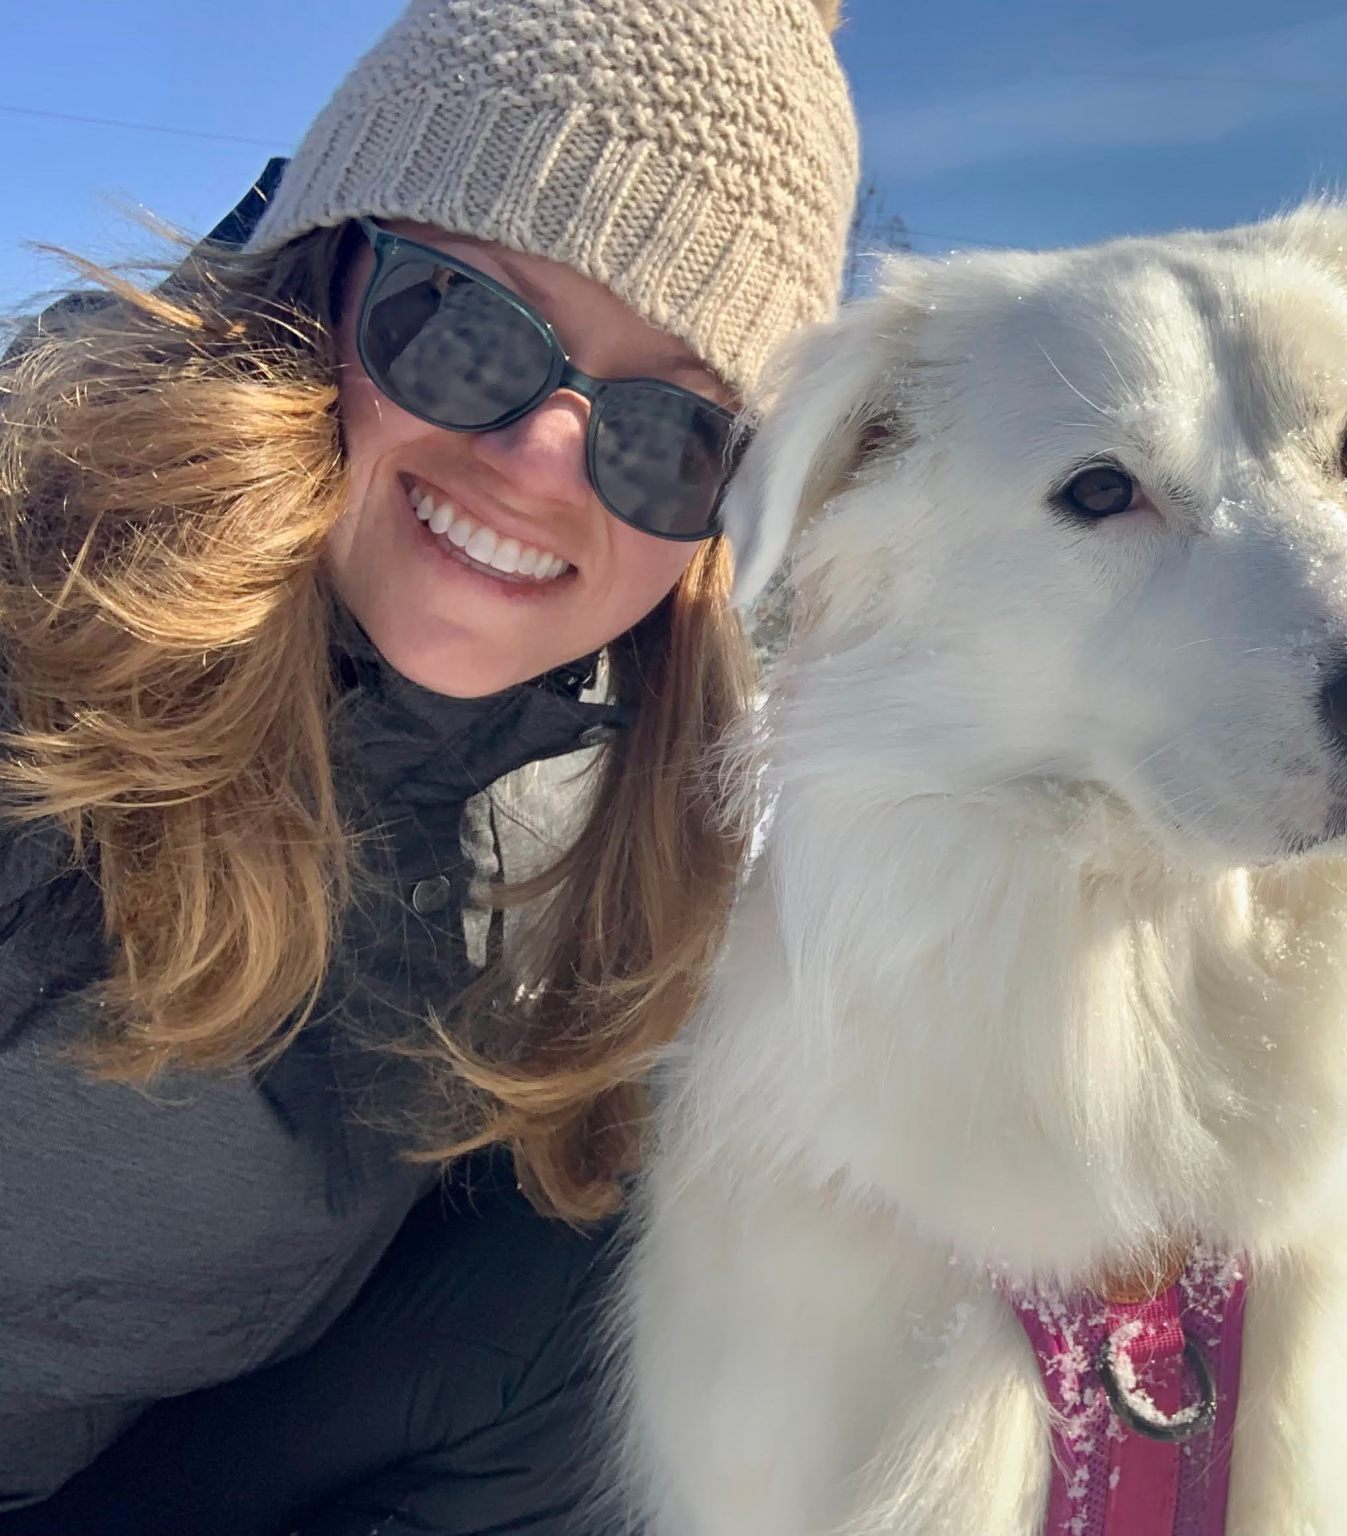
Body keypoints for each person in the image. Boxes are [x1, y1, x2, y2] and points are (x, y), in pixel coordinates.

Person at [0, 0, 855, 1530]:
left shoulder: (604, 816)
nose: (541, 457)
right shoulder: (38, 615)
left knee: (627, 1278)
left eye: (672, 434)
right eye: (466, 325)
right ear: (320, 284)